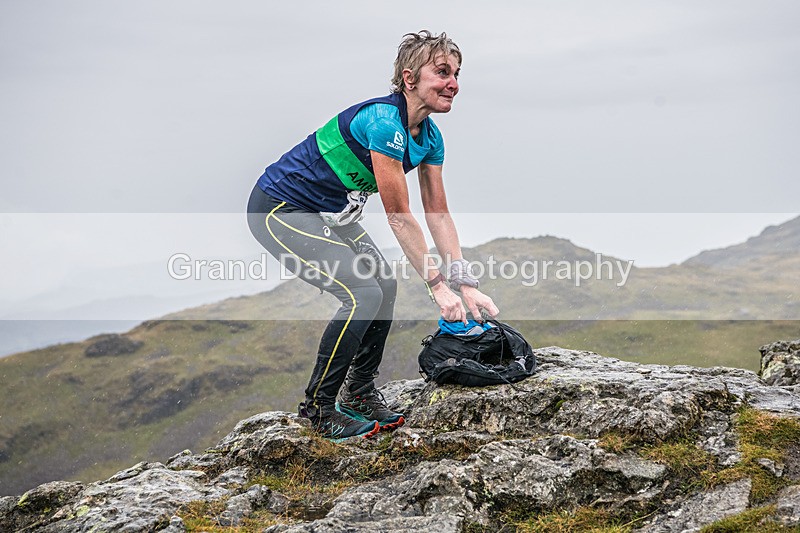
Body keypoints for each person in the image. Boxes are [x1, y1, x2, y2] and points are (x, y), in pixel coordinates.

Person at [247, 30, 499, 440]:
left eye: (456, 73)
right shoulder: (384, 122)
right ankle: (320, 409)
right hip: (280, 208)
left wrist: (464, 283)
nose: (453, 82)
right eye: (442, 72)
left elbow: (437, 212)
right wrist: (437, 286)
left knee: (384, 283)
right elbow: (399, 215)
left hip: (332, 214)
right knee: (362, 293)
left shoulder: (430, 138)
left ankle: (360, 393)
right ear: (409, 78)